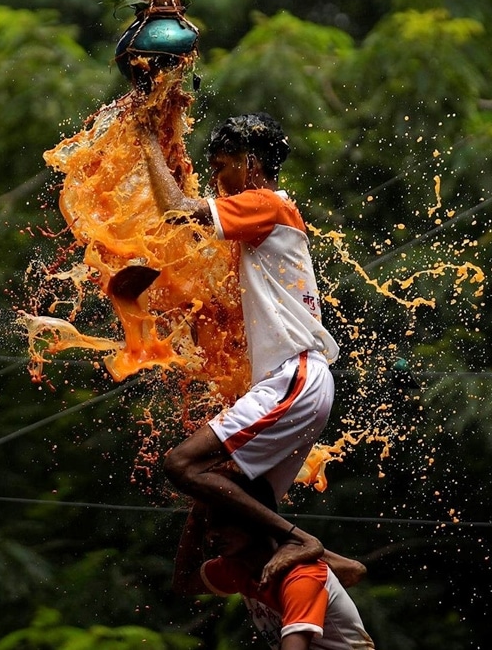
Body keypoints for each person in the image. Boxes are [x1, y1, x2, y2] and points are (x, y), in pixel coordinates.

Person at [140, 112, 340, 583]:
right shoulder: (261, 218)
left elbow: (175, 209)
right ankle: (325, 569)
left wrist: (147, 137)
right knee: (217, 499)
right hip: (300, 383)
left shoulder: (266, 203)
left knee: (181, 464)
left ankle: (301, 541)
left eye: (223, 165)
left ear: (251, 164)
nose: (217, 179)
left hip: (295, 379)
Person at [173, 473, 375, 650]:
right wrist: (196, 516)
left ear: (258, 518)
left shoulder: (302, 576)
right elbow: (184, 582)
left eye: (224, 520)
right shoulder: (236, 566)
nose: (212, 534)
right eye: (208, 525)